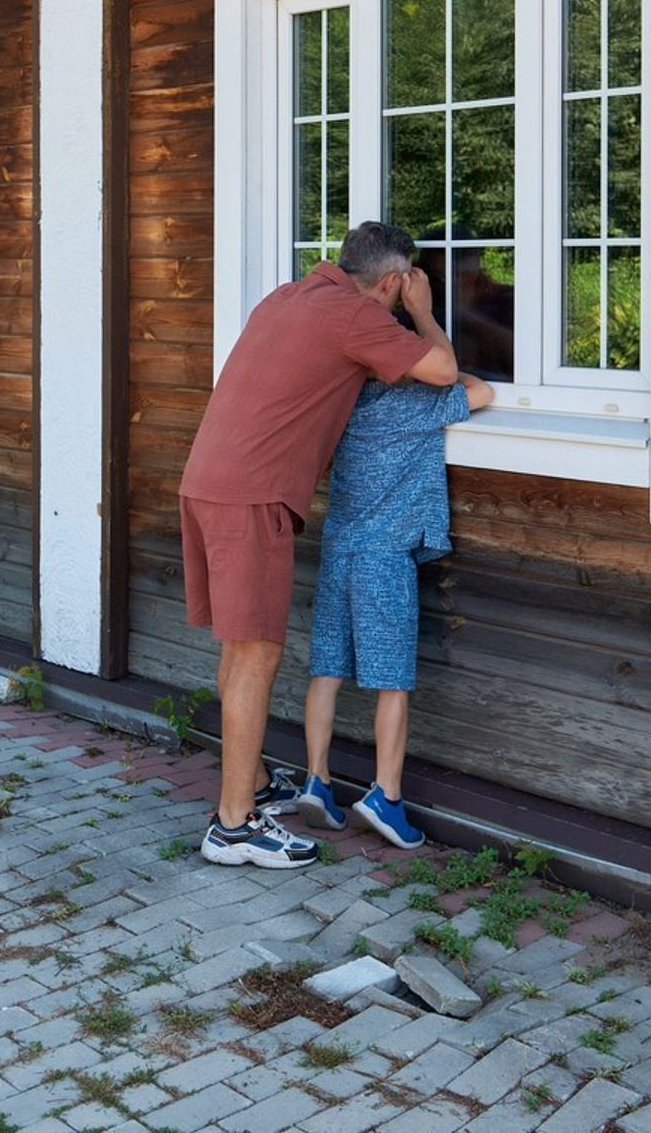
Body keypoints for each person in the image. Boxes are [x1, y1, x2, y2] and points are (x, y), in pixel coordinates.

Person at [179, 221, 457, 869]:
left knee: (237, 649)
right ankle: (234, 827)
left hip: (207, 479)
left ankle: (245, 789)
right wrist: (423, 313)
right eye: (400, 290)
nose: (398, 302)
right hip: (252, 495)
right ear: (390, 281)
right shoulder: (356, 316)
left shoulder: (287, 297)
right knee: (257, 656)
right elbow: (442, 370)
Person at [297, 370, 494, 849]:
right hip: (384, 560)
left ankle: (317, 781)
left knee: (327, 671)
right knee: (392, 681)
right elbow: (484, 391)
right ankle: (386, 795)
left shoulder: (343, 399)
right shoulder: (418, 404)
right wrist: (447, 365)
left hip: (339, 549)